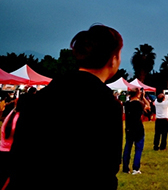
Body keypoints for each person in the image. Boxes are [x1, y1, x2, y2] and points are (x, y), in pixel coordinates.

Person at [8, 24, 124, 189]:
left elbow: (19, 154)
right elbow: (107, 167)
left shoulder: (42, 96)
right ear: (113, 60)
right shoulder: (107, 104)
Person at [0, 88, 35, 190]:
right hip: (11, 153)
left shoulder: (12, 113)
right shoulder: (20, 119)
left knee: (0, 177)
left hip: (2, 150)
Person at [123, 88, 151, 175]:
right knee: (138, 149)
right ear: (138, 94)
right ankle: (135, 168)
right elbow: (148, 107)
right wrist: (143, 97)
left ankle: (125, 168)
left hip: (128, 128)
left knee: (127, 148)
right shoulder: (139, 104)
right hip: (138, 128)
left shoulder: (127, 104)